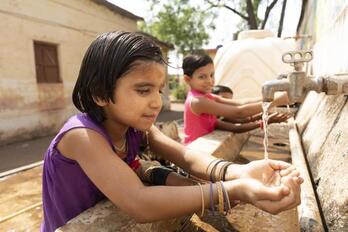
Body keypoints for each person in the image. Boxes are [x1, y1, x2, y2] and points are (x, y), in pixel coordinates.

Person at [41, 31, 303, 232]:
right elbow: (140, 203)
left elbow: (186, 157)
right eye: (143, 90)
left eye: (159, 90)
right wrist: (233, 190)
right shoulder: (82, 137)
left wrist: (238, 171)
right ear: (100, 93)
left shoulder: (135, 127)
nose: (156, 102)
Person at [182, 53, 289, 144]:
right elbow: (239, 112)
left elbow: (240, 103)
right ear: (187, 79)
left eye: (212, 75)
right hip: (194, 149)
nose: (210, 81)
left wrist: (270, 97)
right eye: (202, 77)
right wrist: (277, 101)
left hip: (203, 147)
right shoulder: (197, 101)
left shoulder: (207, 96)